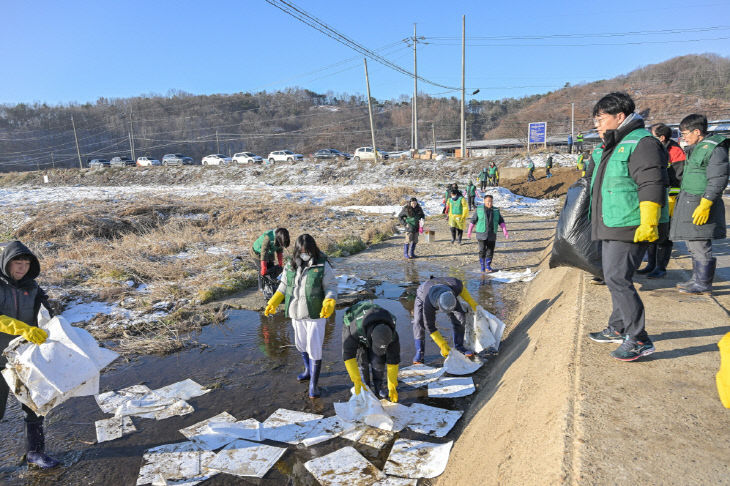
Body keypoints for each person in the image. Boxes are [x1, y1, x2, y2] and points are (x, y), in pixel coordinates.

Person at [585, 92, 669, 362]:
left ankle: (639, 338)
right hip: (611, 221)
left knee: (618, 278)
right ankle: (618, 327)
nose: (597, 125)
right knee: (613, 277)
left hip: (630, 223)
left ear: (619, 116)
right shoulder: (613, 144)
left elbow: (651, 183)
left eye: (601, 119)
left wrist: (649, 219)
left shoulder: (641, 143)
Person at [0, 241, 59, 468]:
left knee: (35, 406)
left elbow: (46, 313)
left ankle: (35, 453)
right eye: (18, 262)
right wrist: (23, 329)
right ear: (7, 262)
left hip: (24, 358)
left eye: (26, 263)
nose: (22, 268)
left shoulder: (32, 287)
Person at [264, 234, 336, 398]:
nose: (305, 254)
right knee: (301, 344)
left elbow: (331, 286)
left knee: (314, 347)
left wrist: (330, 300)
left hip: (316, 312)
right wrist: (274, 301)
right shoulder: (290, 264)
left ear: (313, 249)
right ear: (297, 250)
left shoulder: (322, 264)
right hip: (296, 312)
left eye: (308, 251)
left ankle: (314, 384)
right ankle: (307, 370)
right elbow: (283, 285)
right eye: (302, 251)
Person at [670, 114, 729, 294]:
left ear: (697, 131)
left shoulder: (714, 148)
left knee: (700, 243)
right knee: (692, 242)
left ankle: (703, 283)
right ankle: (697, 279)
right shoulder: (697, 148)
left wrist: (706, 203)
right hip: (690, 201)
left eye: (685, 133)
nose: (683, 137)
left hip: (701, 202)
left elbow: (718, 178)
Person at [636, 123, 687, 279]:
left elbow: (679, 177)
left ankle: (661, 267)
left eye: (653, 135)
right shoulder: (654, 149)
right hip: (657, 197)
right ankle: (651, 264)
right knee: (653, 232)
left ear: (662, 137)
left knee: (664, 236)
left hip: (671, 199)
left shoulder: (675, 152)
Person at [342, 300, 400, 402]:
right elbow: (348, 355)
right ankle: (365, 386)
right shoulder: (354, 330)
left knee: (378, 361)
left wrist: (392, 385)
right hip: (356, 325)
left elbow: (393, 359)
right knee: (362, 359)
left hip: (373, 329)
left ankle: (379, 386)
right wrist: (356, 380)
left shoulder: (392, 335)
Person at [412, 276, 478, 363]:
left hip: (445, 289)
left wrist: (474, 305)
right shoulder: (428, 303)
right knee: (418, 322)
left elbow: (464, 293)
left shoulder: (455, 285)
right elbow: (429, 326)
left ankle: (459, 346)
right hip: (423, 292)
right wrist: (442, 344)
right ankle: (419, 352)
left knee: (460, 317)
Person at [467, 194, 509, 272]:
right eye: (488, 202)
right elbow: (473, 220)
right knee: (482, 250)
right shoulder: (479, 209)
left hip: (492, 234)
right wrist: (469, 231)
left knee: (490, 250)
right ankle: (483, 266)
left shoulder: (496, 210)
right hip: (481, 234)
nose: (490, 203)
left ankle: (488, 266)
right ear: (484, 201)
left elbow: (501, 221)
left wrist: (505, 231)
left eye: (491, 202)